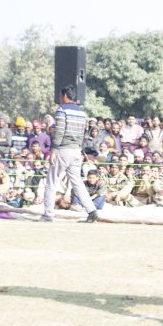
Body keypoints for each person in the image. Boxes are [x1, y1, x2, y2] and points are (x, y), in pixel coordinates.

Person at [41, 85, 99, 223]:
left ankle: (48, 214)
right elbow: (82, 133)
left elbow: (60, 131)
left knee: (51, 182)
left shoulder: (62, 110)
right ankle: (92, 211)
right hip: (76, 151)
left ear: (65, 96)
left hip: (62, 149)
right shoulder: (81, 112)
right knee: (77, 182)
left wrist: (53, 150)